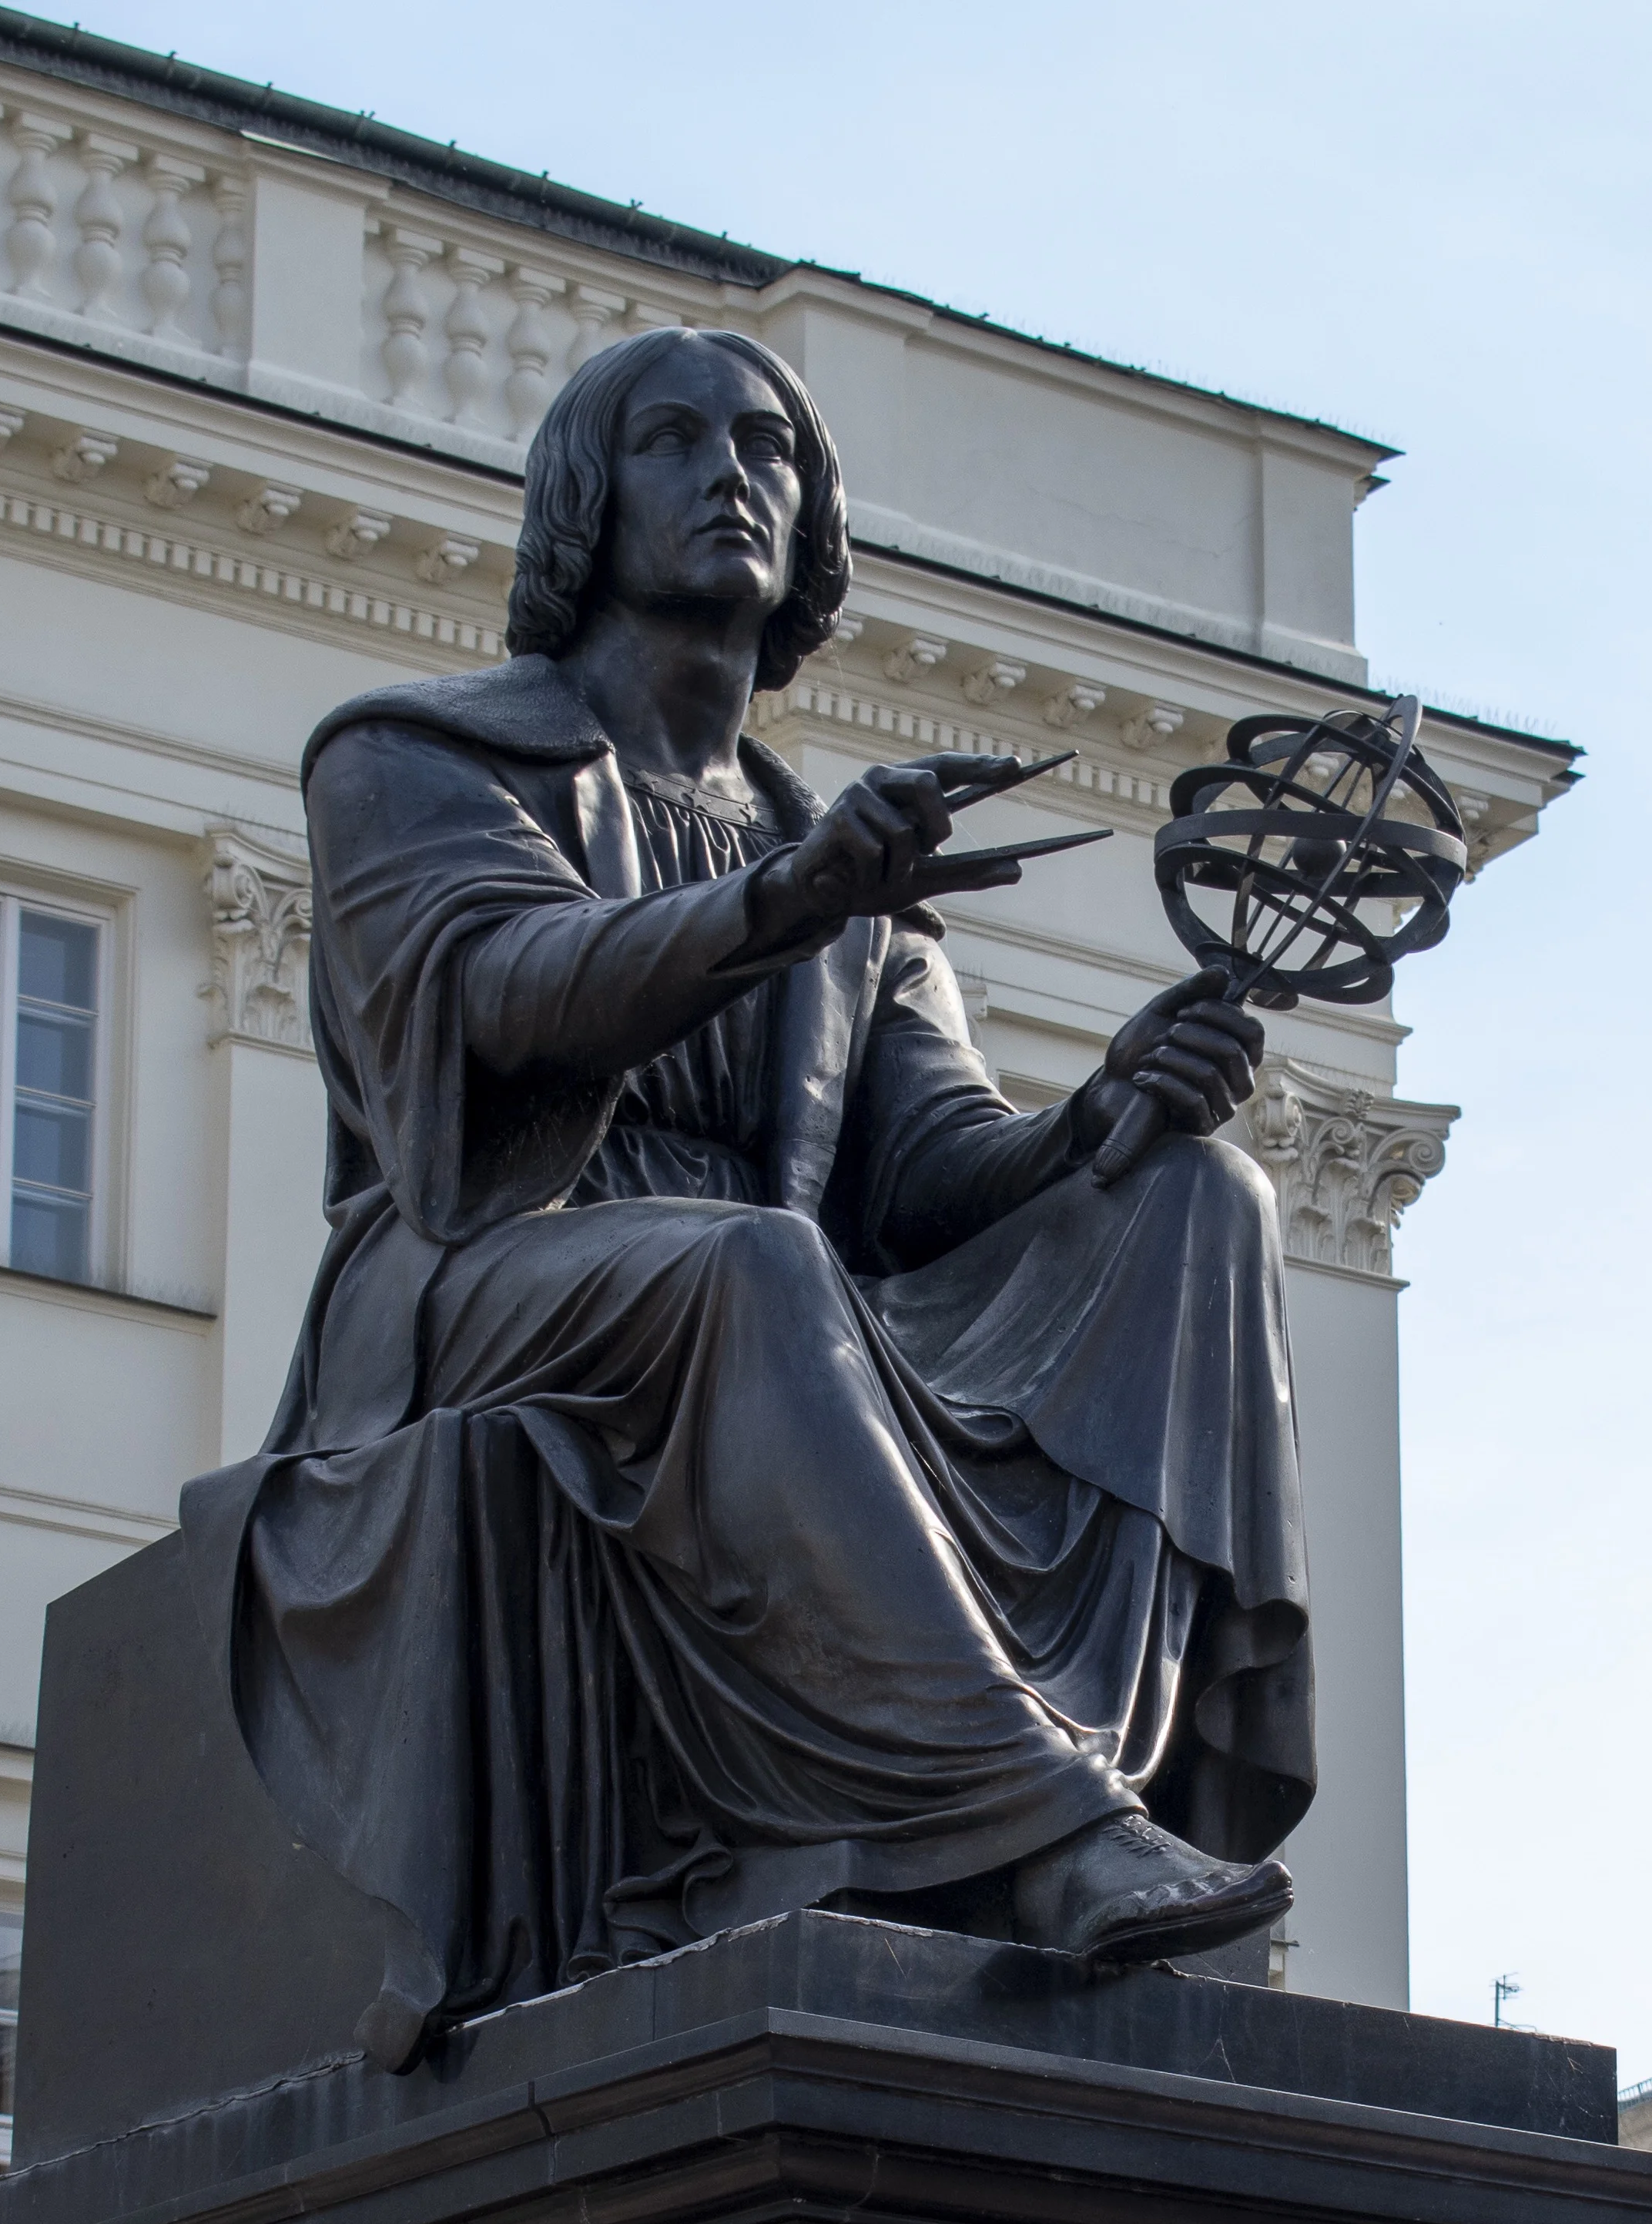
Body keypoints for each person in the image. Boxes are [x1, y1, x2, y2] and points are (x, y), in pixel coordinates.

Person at [196, 325, 1317, 2024]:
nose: (734, 472)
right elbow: (510, 991)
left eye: (772, 447)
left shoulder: (847, 858)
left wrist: (1104, 1121)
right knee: (753, 1262)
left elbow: (933, 1162)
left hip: (770, 1300)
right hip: (482, 1275)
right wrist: (785, 902)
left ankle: (1136, 1795)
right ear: (586, 500)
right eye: (672, 439)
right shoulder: (416, 756)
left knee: (1202, 1198)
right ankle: (1049, 1829)